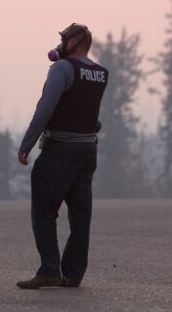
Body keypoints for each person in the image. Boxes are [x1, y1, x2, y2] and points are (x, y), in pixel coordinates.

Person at [16, 23, 108, 289]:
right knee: (81, 215)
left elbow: (45, 108)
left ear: (73, 42)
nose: (60, 43)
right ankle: (73, 273)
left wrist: (27, 143)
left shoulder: (62, 69)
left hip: (60, 152)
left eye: (64, 39)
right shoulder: (100, 73)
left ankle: (49, 270)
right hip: (88, 151)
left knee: (44, 211)